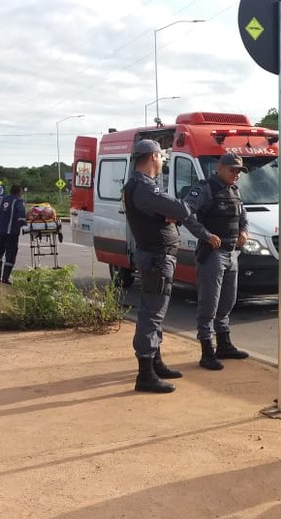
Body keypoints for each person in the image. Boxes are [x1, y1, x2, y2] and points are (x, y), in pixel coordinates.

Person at [122, 139, 194, 394]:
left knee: (156, 312)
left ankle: (155, 362)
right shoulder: (143, 188)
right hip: (156, 257)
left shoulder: (143, 187)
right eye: (162, 156)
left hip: (157, 255)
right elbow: (180, 208)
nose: (163, 160)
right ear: (153, 157)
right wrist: (178, 209)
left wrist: (172, 212)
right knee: (152, 313)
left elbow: (171, 211)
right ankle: (145, 374)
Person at [182, 153, 251, 371]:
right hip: (212, 254)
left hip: (232, 253)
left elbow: (243, 214)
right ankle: (206, 351)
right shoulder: (204, 189)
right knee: (209, 304)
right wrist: (204, 234)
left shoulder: (234, 190)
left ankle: (224, 344)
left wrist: (244, 231)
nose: (236, 175)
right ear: (220, 168)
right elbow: (186, 213)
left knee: (228, 301)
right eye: (233, 170)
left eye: (239, 172)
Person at [0, 185, 26, 284]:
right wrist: (24, 226)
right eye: (21, 191)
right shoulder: (18, 201)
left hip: (0, 231)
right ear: (19, 192)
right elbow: (21, 216)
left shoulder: (3, 200)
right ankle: (5, 278)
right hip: (11, 232)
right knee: (10, 254)